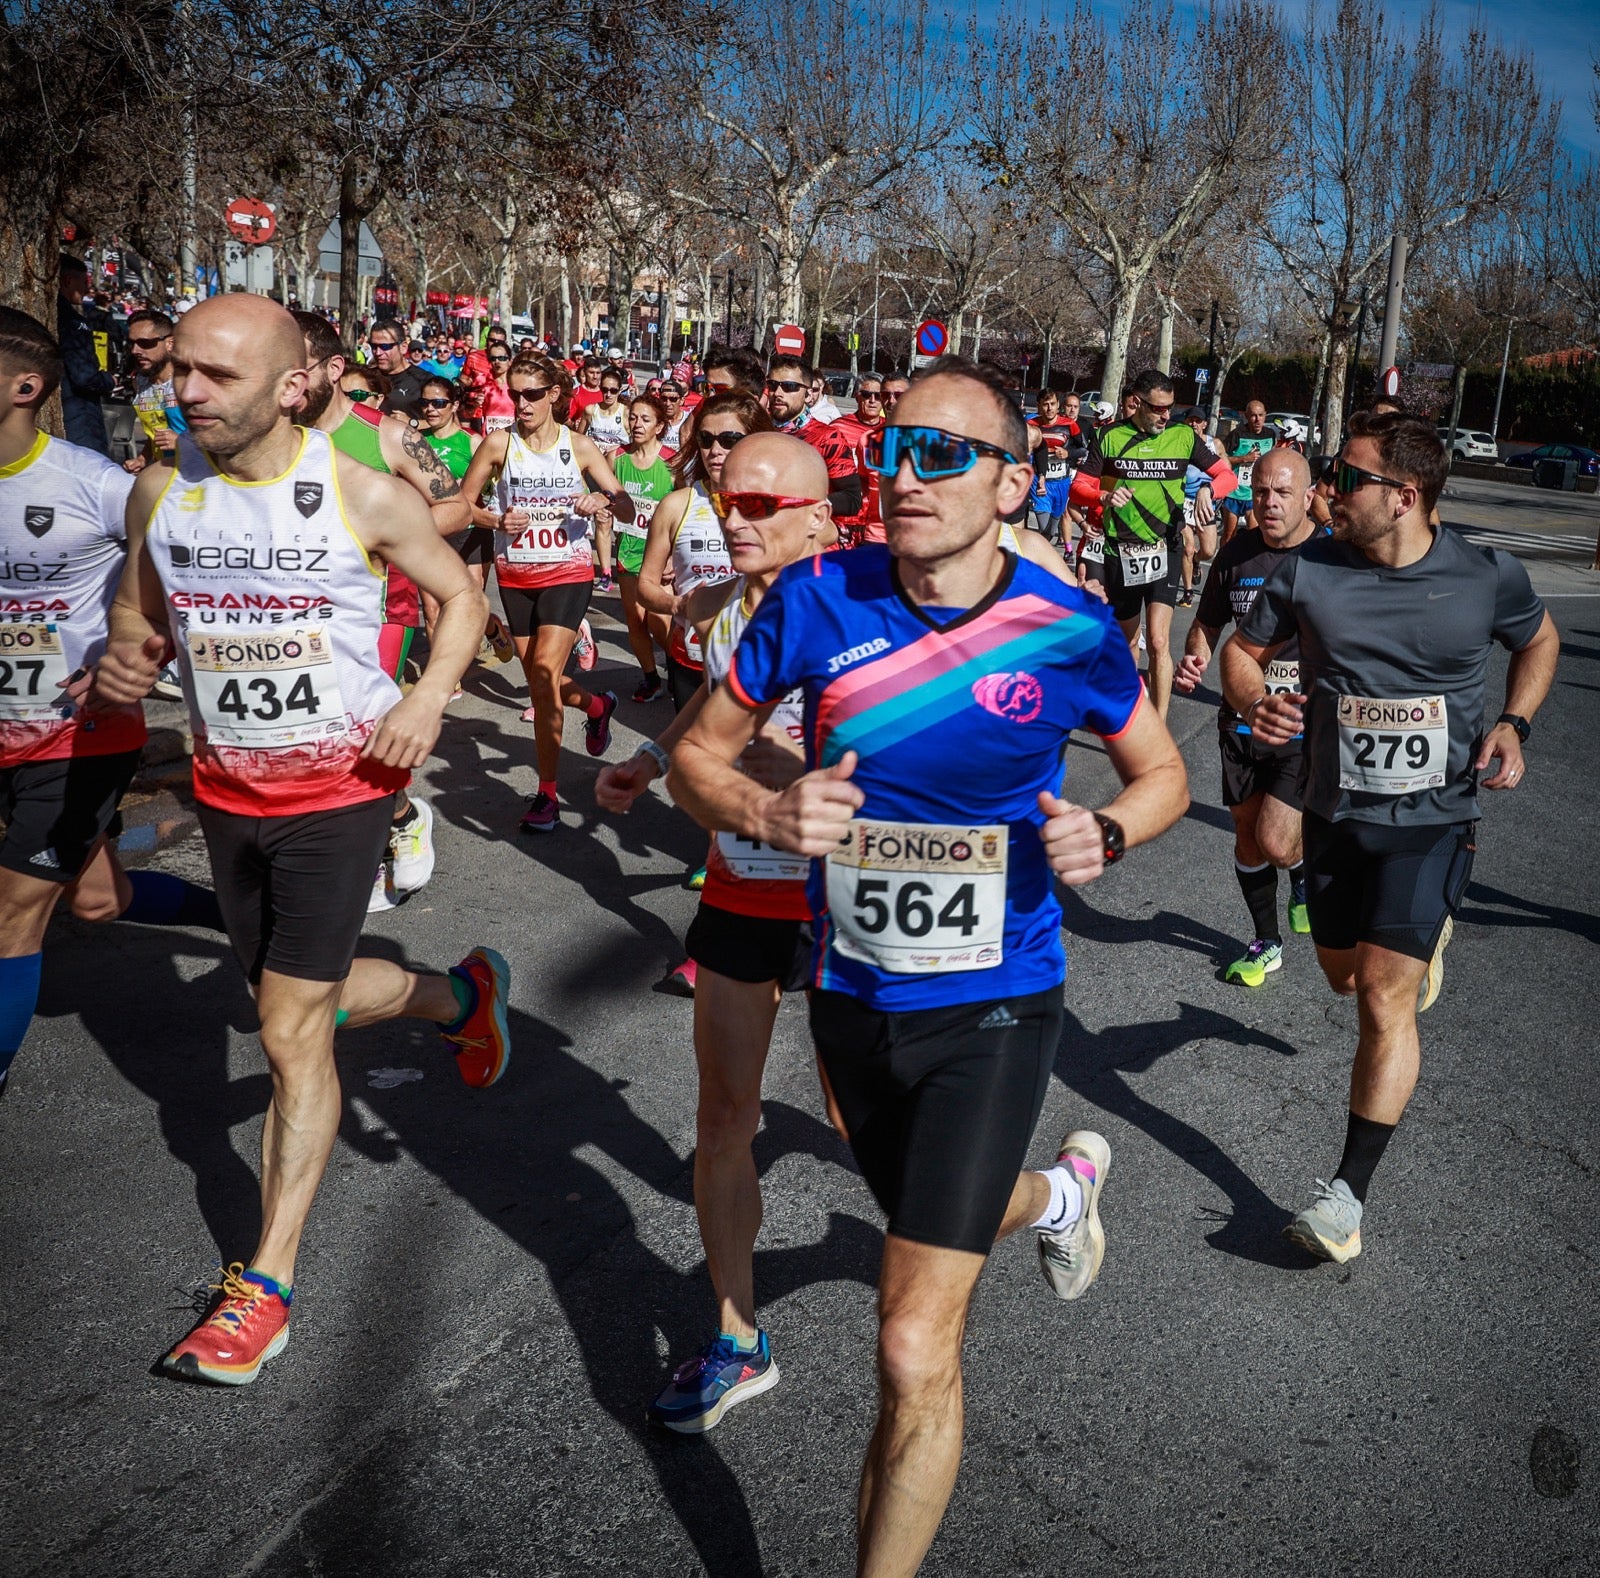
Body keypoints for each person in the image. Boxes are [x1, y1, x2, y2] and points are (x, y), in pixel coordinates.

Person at [669, 357, 1189, 1574]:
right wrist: (760, 809)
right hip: (852, 993)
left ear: (1011, 482)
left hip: (998, 996)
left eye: (943, 454)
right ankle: (1057, 1195)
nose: (906, 475)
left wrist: (1106, 829)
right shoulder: (816, 598)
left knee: (910, 1342)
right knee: (917, 1212)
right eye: (893, 450)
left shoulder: (1065, 629)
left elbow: (1163, 771)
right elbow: (702, 753)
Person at [90, 295, 510, 1383]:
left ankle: (263, 1287)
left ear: (289, 386)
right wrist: (129, 661)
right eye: (178, 368)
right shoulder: (160, 490)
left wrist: (425, 703)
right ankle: (458, 1000)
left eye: (214, 375)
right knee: (294, 1003)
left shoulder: (359, 492)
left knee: (285, 1030)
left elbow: (459, 598)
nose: (184, 390)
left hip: (344, 788)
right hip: (229, 793)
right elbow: (139, 613)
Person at [1222, 411, 1559, 1263]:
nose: (1330, 491)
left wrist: (1515, 722)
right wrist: (1252, 700)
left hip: (1436, 822)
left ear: (1405, 496)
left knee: (1381, 995)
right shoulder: (1309, 570)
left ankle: (1345, 1198)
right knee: (1340, 977)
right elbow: (1240, 649)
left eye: (1348, 476)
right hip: (1335, 817)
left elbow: (1540, 639)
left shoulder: (1485, 576)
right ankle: (1405, 957)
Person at [596, 433, 829, 1431]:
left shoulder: (871, 604)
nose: (736, 518)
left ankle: (1047, 1196)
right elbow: (719, 699)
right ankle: (738, 1341)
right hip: (744, 884)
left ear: (823, 518)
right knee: (722, 1122)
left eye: (763, 504)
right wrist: (652, 760)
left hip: (853, 903)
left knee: (882, 1140)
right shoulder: (729, 604)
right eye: (728, 501)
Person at [0, 307, 226, 1103]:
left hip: (77, 735)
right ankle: (238, 913)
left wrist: (129, 650)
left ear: (25, 387)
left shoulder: (94, 485)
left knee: (11, 922)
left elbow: (171, 585)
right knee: (99, 901)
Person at [294, 311, 469, 907]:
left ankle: (380, 835)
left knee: (359, 731)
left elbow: (454, 508)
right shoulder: (268, 438)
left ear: (332, 369)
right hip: (295, 614)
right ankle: (386, 816)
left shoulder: (389, 436)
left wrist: (382, 531)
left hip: (382, 606)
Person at [458, 353, 634, 833]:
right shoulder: (499, 444)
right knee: (540, 680)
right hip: (516, 577)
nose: (522, 403)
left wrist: (602, 498)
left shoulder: (578, 446)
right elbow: (461, 505)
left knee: (541, 670)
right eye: (515, 393)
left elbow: (625, 505)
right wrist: (495, 519)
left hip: (568, 571)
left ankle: (547, 794)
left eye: (532, 394)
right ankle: (599, 707)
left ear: (554, 394)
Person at [1174, 447, 1320, 985]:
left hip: (1303, 724)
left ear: (1308, 498)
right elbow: (1208, 625)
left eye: (1283, 492)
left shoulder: (1332, 559)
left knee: (1279, 842)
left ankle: (1303, 871)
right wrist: (1195, 655)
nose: (1270, 502)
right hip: (1240, 718)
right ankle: (1267, 942)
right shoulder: (1236, 555)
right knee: (1246, 833)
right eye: (1261, 491)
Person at [1070, 369, 1236, 719]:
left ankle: (1158, 724)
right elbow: (1078, 488)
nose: (1165, 415)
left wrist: (1209, 489)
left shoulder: (1183, 436)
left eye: (1170, 408)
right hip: (1122, 549)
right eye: (1158, 408)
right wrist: (1103, 494)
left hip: (1166, 546)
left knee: (1159, 641)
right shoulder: (1110, 437)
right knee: (1130, 642)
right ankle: (1132, 715)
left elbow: (1227, 475)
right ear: (1137, 403)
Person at [606, 393, 675, 701]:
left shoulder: (673, 462)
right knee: (635, 621)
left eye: (645, 419)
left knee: (661, 625)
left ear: (659, 426)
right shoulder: (616, 458)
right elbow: (608, 502)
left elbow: (684, 512)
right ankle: (650, 678)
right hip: (628, 552)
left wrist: (674, 555)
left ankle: (679, 675)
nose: (636, 424)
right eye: (632, 417)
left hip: (660, 558)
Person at [762, 355, 862, 521]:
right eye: (772, 385)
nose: (778, 393)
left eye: (789, 386)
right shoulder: (757, 432)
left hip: (808, 539)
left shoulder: (828, 438)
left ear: (808, 394)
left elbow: (852, 499)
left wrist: (799, 506)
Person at [56, 256, 115, 456]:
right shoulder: (71, 321)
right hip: (77, 415)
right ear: (68, 281)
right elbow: (85, 376)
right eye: (85, 282)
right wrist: (108, 380)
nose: (88, 288)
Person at [123, 309, 184, 473]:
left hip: (195, 473)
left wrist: (183, 443)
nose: (135, 350)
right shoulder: (139, 381)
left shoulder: (187, 381)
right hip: (163, 472)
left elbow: (225, 437)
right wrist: (142, 459)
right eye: (132, 343)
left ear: (170, 343)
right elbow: (156, 432)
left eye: (146, 343)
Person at [1221, 401, 1274, 545]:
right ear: (1246, 416)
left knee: (1254, 533)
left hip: (1254, 494)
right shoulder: (1237, 434)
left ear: (1265, 415)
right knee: (1229, 535)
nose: (1257, 420)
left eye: (1260, 415)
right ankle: (1222, 563)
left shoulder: (1270, 435)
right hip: (1234, 492)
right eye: (1253, 416)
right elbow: (1221, 459)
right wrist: (1243, 458)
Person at [1026, 389, 1074, 544]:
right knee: (1043, 525)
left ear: (1058, 405)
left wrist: (1068, 453)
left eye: (1052, 404)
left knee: (1051, 531)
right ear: (1039, 406)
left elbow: (1083, 449)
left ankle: (1038, 555)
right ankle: (1037, 559)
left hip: (1061, 482)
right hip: (1039, 482)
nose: (1049, 408)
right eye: (1045, 404)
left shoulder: (1069, 425)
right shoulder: (1031, 425)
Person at [368, 319, 428, 419]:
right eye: (374, 346)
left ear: (403, 347)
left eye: (385, 346)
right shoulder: (366, 377)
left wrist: (412, 423)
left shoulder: (423, 380)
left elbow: (447, 423)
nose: (378, 353)